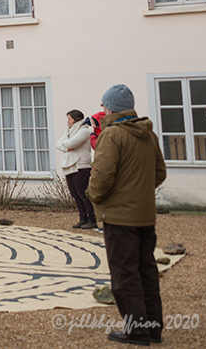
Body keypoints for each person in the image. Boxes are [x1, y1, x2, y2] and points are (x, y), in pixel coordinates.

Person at [86, 84, 166, 345]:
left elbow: (102, 176)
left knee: (124, 274)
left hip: (120, 218)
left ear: (110, 108)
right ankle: (153, 328)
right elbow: (159, 172)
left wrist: (95, 196)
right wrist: (140, 193)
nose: (102, 109)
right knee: (146, 271)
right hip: (145, 215)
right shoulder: (148, 134)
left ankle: (137, 330)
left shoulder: (113, 135)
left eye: (104, 105)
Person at [57, 109, 96, 229]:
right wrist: (66, 146)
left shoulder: (84, 131)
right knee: (75, 194)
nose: (67, 122)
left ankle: (91, 220)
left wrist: (66, 146)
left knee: (82, 193)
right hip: (70, 165)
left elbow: (71, 144)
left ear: (75, 119)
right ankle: (82, 219)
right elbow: (58, 143)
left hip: (81, 166)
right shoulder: (69, 131)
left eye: (69, 119)